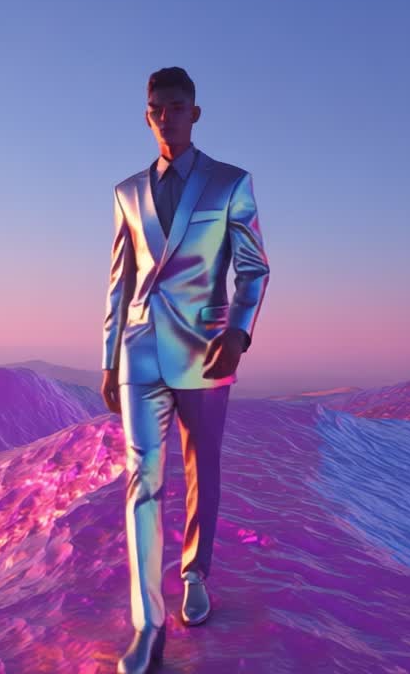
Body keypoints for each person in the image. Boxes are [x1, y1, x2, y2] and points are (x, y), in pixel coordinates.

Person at [100, 66, 270, 674]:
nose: (166, 116)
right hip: (139, 352)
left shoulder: (231, 184)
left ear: (195, 113)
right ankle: (149, 626)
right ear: (147, 116)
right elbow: (120, 283)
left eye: (176, 106)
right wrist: (107, 356)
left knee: (204, 469)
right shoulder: (126, 192)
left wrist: (239, 332)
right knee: (142, 482)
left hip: (206, 349)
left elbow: (253, 268)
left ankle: (195, 573)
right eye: (156, 107)